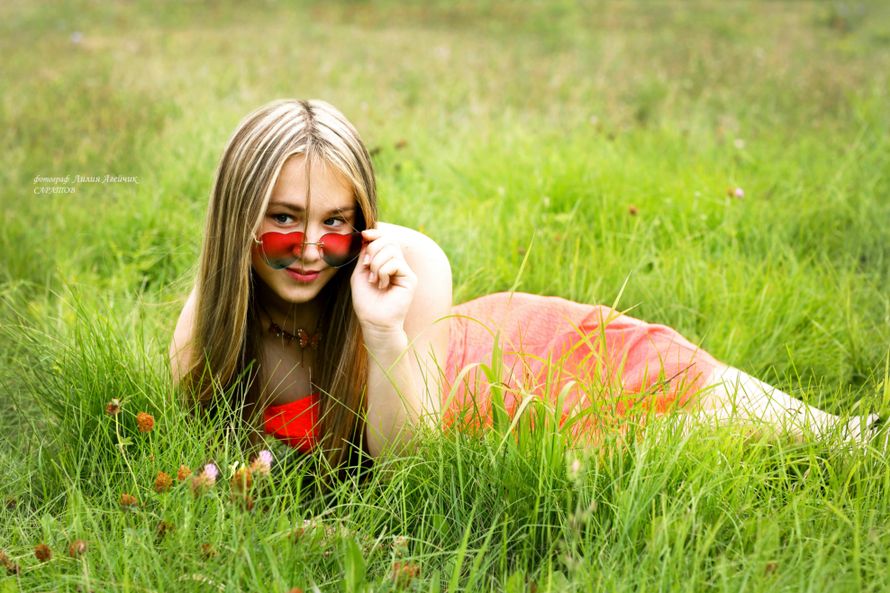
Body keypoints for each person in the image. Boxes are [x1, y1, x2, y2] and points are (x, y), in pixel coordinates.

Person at [169, 99, 880, 470]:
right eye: (284, 219)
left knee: (769, 419)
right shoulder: (211, 330)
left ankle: (855, 434)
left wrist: (382, 333)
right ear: (238, 218)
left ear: (363, 219)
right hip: (508, 443)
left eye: (335, 222)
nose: (310, 249)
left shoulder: (409, 267)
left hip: (519, 363)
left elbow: (408, 463)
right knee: (654, 453)